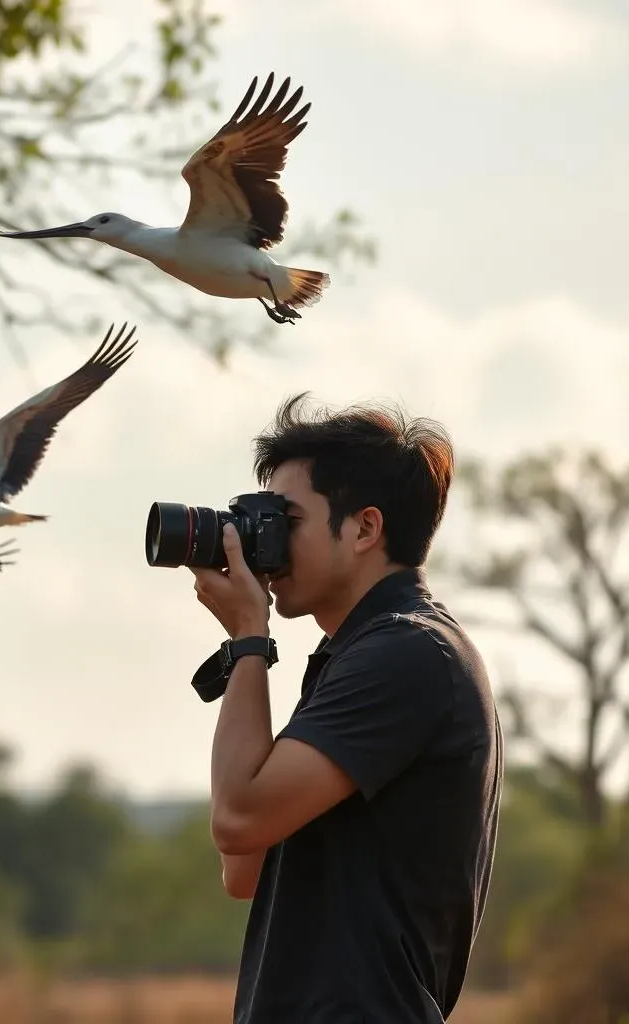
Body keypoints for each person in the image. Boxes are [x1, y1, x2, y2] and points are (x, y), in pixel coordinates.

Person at [188, 393, 504, 1023]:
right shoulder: (357, 654)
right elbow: (243, 868)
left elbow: (237, 820)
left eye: (286, 520)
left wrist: (251, 639)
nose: (265, 544)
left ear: (364, 527)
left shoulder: (408, 654)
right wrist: (246, 645)